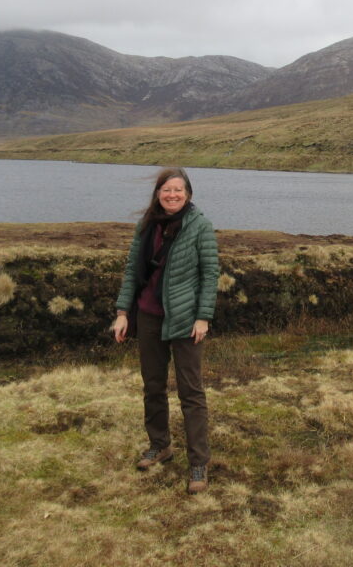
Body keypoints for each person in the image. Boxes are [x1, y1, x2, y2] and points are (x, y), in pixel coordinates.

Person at [112, 167, 218, 494]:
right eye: (166, 190)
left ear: (188, 193)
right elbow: (133, 271)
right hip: (148, 316)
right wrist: (122, 313)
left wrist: (203, 317)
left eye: (178, 190)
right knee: (153, 385)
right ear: (158, 193)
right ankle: (161, 445)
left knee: (191, 391)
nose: (172, 195)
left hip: (186, 320)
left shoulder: (199, 225)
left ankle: (198, 462)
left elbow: (210, 273)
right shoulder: (146, 226)